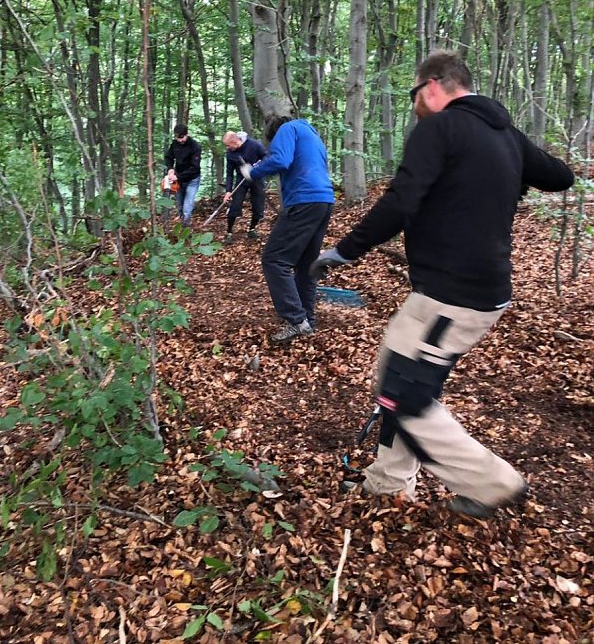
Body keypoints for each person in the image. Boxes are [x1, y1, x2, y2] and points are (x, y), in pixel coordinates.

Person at [310, 50, 574, 519]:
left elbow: (402, 200)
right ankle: (388, 482)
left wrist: (344, 251)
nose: (414, 103)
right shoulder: (504, 133)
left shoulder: (440, 127)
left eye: (415, 93)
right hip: (475, 290)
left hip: (452, 295)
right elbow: (559, 176)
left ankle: (494, 484)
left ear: (434, 85)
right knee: (406, 376)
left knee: (402, 393)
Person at [240, 116, 335, 344]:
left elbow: (281, 160)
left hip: (304, 200)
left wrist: (252, 172)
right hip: (324, 200)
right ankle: (307, 322)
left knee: (274, 259)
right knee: (305, 265)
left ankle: (296, 319)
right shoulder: (312, 135)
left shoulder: (287, 129)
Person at [222, 131, 267, 243]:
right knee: (235, 205)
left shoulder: (254, 145)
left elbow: (266, 157)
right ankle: (229, 232)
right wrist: (228, 191)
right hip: (241, 180)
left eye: (228, 145)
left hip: (257, 178)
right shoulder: (230, 153)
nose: (227, 148)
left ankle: (252, 229)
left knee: (258, 206)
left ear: (235, 141)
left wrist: (257, 167)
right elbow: (229, 172)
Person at [164, 123, 202, 227]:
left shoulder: (195, 146)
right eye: (177, 138)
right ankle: (182, 223)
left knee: (187, 206)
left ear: (187, 134)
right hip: (178, 180)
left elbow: (195, 168)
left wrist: (178, 176)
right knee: (180, 205)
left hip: (192, 180)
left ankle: (186, 227)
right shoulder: (174, 145)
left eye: (182, 137)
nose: (180, 140)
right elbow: (168, 157)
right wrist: (170, 168)